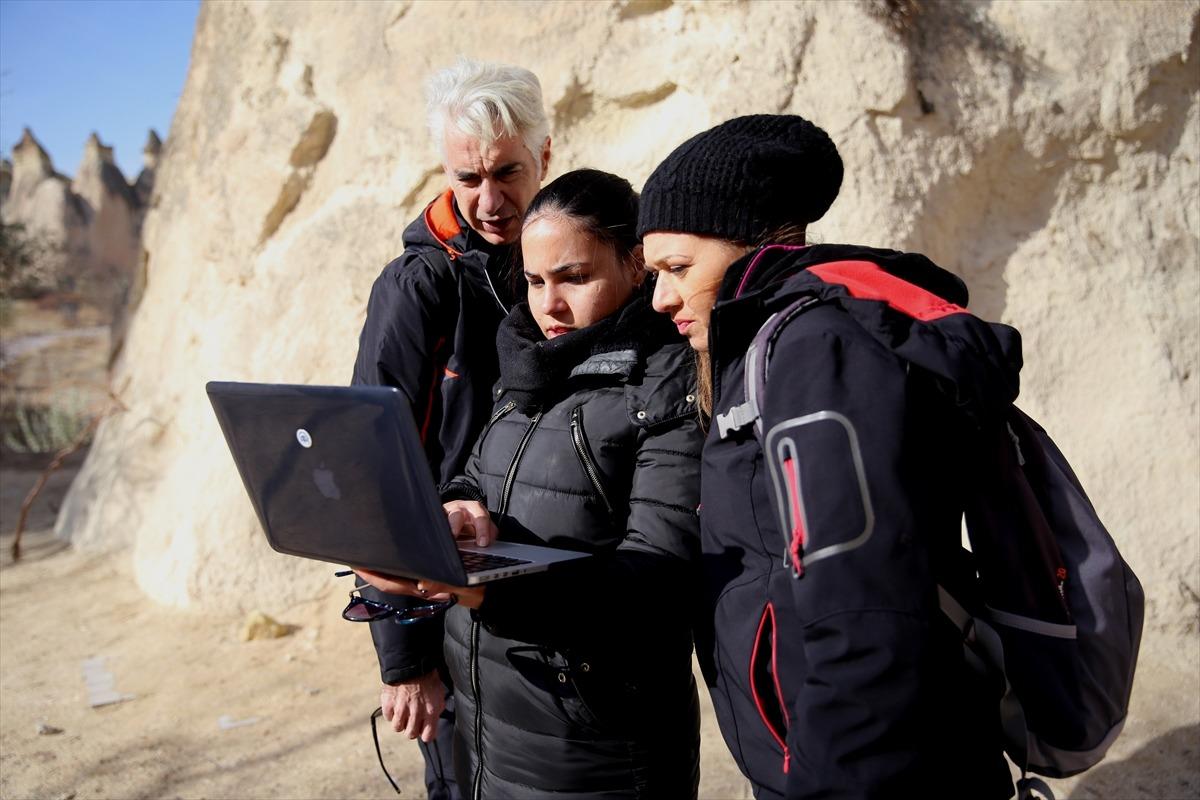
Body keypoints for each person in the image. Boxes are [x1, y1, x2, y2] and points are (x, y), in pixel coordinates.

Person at [637, 115, 1017, 799]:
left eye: (677, 268)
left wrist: (829, 783)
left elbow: (862, 608)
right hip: (819, 752)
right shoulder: (769, 345)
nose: (661, 297)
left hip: (868, 769)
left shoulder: (820, 350)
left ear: (750, 242)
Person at [358, 169, 704, 799]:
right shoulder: (525, 362)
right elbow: (476, 469)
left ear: (635, 264)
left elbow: (659, 581)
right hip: (490, 731)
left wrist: (484, 591)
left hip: (598, 749)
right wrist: (458, 505)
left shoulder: (667, 381)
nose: (549, 305)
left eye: (574, 277)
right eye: (535, 280)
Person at [350, 58, 551, 799]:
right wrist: (404, 654)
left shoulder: (563, 265)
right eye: (468, 178)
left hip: (541, 593)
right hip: (442, 596)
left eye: (508, 172)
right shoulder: (419, 285)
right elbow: (368, 467)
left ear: (547, 158)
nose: (490, 200)